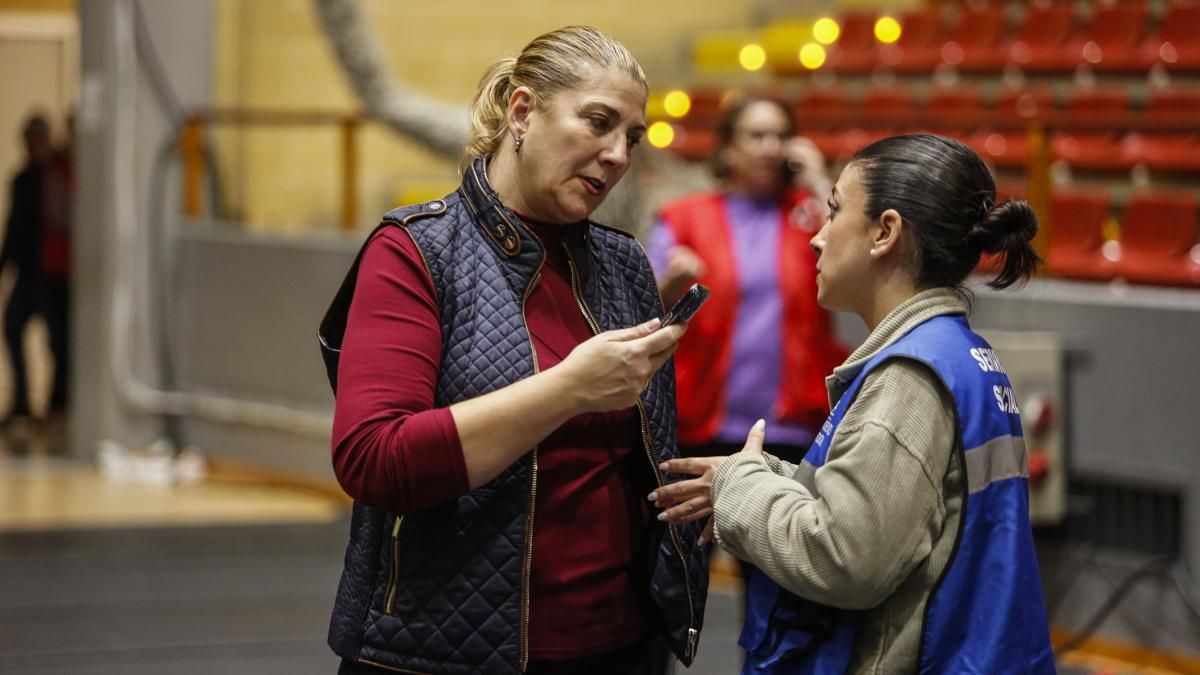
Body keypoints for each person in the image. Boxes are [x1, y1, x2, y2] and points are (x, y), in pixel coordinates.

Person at [318, 26, 708, 675]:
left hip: (624, 646)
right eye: (598, 122)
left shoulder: (623, 263)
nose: (616, 154)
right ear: (522, 113)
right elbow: (375, 460)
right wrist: (569, 388)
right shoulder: (417, 252)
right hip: (447, 651)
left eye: (632, 138)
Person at [653, 134, 1055, 673]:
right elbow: (897, 509)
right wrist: (762, 474)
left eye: (836, 211)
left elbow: (843, 557)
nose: (817, 238)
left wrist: (738, 487)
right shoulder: (958, 352)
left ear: (885, 232)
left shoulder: (907, 377)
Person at [648, 95, 846, 469]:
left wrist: (819, 182)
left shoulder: (809, 214)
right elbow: (645, 309)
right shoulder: (683, 218)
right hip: (702, 421)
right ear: (727, 147)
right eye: (757, 136)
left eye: (780, 136)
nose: (771, 148)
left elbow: (855, 253)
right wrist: (672, 283)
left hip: (793, 425)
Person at [1, 112, 70, 424]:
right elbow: (14, 228)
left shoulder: (59, 175)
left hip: (54, 273)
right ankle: (22, 402)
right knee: (13, 328)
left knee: (58, 341)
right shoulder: (22, 179)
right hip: (30, 272)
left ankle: (59, 403)